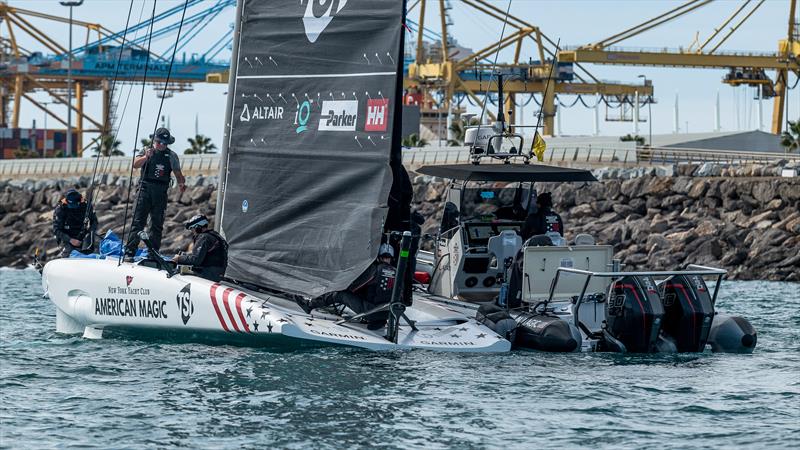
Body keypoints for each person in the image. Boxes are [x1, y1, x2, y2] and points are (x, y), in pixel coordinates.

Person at [295, 244, 396, 329]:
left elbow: (354, 288)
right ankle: (378, 321)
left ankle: (309, 305)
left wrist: (340, 284)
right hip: (389, 314)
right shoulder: (397, 272)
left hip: (371, 312)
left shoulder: (374, 269)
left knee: (341, 294)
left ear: (378, 257)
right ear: (391, 258)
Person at [124, 127, 186, 261]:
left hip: (161, 193)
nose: (162, 145)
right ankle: (129, 252)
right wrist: (146, 157)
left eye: (165, 143)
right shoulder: (146, 150)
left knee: (156, 225)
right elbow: (135, 164)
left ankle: (153, 254)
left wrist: (181, 184)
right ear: (155, 141)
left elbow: (178, 173)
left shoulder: (171, 156)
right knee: (138, 222)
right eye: (159, 143)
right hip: (144, 190)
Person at [172, 214, 228, 282]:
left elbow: (196, 260)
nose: (193, 232)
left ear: (198, 227)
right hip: (218, 273)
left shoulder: (203, 237)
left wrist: (179, 258)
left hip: (209, 274)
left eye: (192, 229)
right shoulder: (214, 235)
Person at [53, 188, 98, 257]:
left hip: (83, 235)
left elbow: (94, 222)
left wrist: (89, 233)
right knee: (68, 255)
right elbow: (56, 230)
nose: (73, 208)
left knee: (89, 253)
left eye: (74, 205)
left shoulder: (86, 206)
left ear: (79, 201)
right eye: (70, 205)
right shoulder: (60, 209)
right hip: (67, 237)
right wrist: (70, 240)